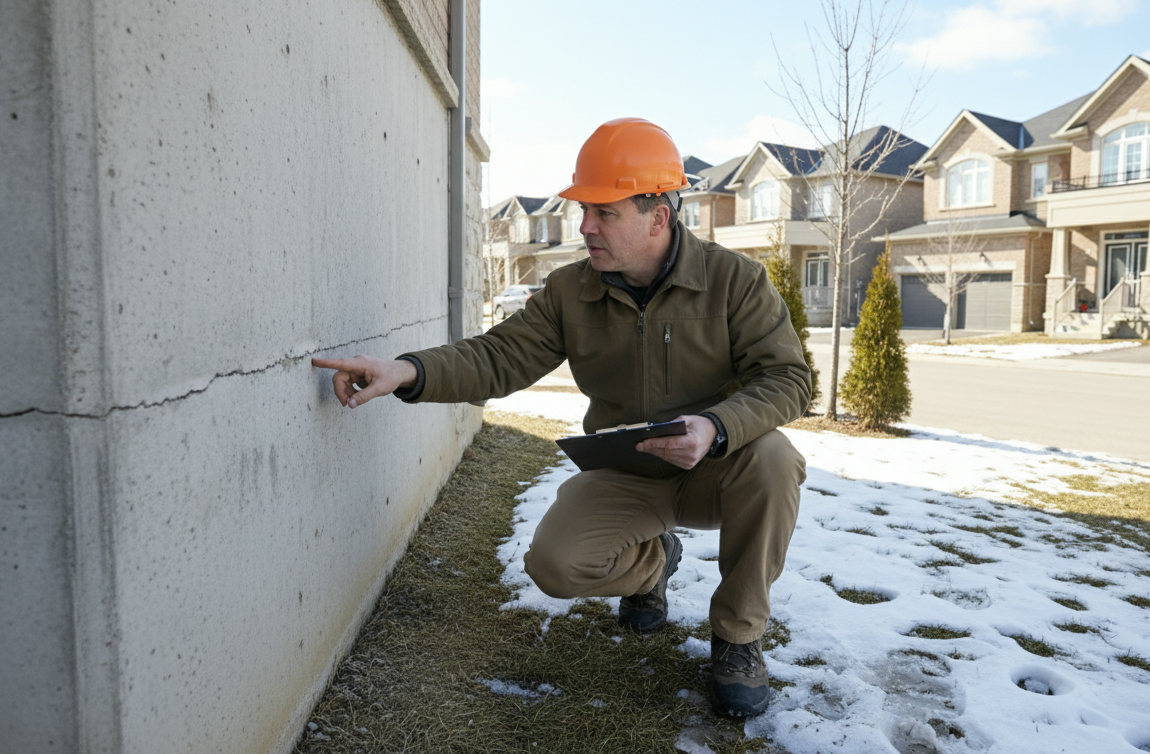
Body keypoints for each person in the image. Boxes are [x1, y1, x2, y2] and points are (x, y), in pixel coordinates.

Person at [312, 118, 810, 717]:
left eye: (605, 212)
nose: (585, 227)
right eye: (584, 211)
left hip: (718, 466)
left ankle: (738, 636)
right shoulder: (571, 291)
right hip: (628, 472)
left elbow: (787, 379)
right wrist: (409, 371)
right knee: (555, 564)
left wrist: (715, 427)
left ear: (659, 216)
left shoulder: (735, 281)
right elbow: (498, 357)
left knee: (777, 459)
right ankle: (655, 563)